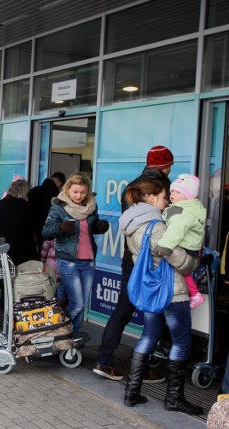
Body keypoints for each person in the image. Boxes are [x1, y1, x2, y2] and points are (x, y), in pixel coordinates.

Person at [118, 180, 202, 415]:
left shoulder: (132, 222)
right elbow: (176, 258)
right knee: (181, 343)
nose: (167, 201)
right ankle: (174, 398)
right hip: (171, 291)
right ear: (152, 198)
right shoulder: (156, 225)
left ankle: (131, 392)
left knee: (148, 337)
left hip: (150, 291)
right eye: (165, 196)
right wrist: (194, 262)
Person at [94, 145, 173, 381]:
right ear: (165, 166)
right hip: (152, 259)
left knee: (123, 309)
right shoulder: (159, 187)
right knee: (155, 312)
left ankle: (104, 360)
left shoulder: (132, 187)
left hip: (130, 257)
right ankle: (141, 368)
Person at [42, 172, 109, 335]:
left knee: (81, 304)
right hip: (68, 261)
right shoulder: (59, 206)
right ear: (67, 190)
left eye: (83, 192)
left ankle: (69, 338)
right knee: (77, 304)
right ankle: (55, 333)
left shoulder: (91, 207)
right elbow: (45, 232)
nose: (79, 196)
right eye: (75, 192)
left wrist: (99, 226)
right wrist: (60, 227)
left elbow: (90, 229)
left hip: (88, 261)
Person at [154, 174, 206, 309]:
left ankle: (195, 295)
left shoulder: (182, 213)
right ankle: (194, 294)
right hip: (191, 248)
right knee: (184, 273)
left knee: (183, 271)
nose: (172, 195)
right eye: (172, 191)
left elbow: (175, 232)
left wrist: (164, 247)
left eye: (178, 192)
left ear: (188, 196)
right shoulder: (188, 208)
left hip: (186, 248)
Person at [0, 179, 38, 266]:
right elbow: (34, 227)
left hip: (3, 247)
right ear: (24, 192)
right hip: (24, 249)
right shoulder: (27, 207)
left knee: (6, 275)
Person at [28, 171, 65, 247]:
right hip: (48, 231)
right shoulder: (56, 196)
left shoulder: (35, 190)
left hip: (31, 229)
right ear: (60, 183)